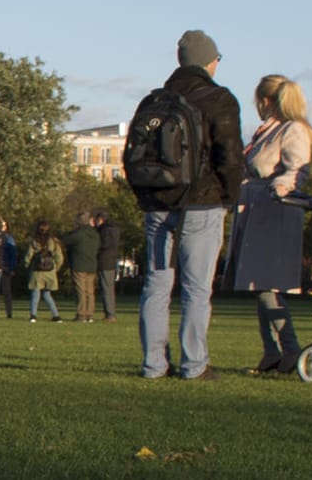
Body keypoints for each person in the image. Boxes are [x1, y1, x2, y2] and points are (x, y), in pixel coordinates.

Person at [136, 30, 242, 381]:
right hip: (202, 202)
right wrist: (230, 197)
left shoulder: (153, 100)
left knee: (156, 284)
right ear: (210, 61)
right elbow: (229, 154)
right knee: (197, 289)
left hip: (158, 202)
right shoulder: (219, 99)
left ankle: (153, 365)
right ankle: (194, 364)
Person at [225, 74, 312, 374]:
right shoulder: (268, 132)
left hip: (272, 213)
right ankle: (272, 351)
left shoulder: (293, 130)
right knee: (260, 286)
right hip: (255, 211)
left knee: (267, 286)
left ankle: (288, 349)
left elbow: (297, 170)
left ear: (266, 101)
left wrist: (278, 187)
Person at [23, 220, 64, 322]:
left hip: (37, 271)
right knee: (47, 294)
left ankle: (33, 315)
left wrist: (27, 266)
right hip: (49, 271)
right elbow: (59, 257)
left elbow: (28, 256)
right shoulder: (53, 242)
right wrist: (56, 268)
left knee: (35, 293)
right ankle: (56, 315)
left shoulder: (34, 241)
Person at [63, 212, 100, 323]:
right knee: (90, 291)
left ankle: (81, 314)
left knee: (80, 290)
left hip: (79, 265)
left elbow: (66, 240)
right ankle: (90, 314)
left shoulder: (78, 234)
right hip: (92, 265)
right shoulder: (95, 234)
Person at [94, 210, 121, 322]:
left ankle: (110, 314)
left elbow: (102, 244)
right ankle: (110, 313)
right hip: (112, 260)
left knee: (106, 288)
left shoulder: (104, 230)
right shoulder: (115, 229)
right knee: (109, 288)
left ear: (100, 219)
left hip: (104, 261)